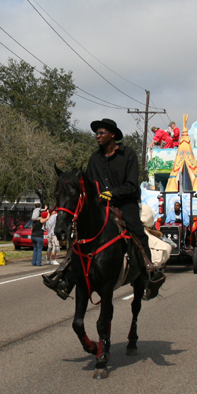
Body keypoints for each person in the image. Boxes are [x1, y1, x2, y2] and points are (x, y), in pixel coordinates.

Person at [43, 118, 165, 300]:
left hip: (125, 203)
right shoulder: (94, 158)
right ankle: (66, 277)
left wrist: (112, 193)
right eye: (96, 133)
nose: (98, 136)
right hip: (100, 204)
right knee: (82, 236)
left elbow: (132, 185)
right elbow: (89, 186)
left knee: (136, 231)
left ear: (112, 134)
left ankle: (149, 272)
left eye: (101, 133)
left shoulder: (128, 155)